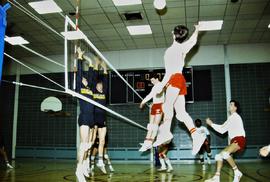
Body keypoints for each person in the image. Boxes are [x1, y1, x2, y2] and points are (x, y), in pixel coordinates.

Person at [151, 24, 205, 155]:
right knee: (181, 114)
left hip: (174, 79)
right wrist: (197, 30)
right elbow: (193, 41)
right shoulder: (183, 47)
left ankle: (166, 133)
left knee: (167, 106)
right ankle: (196, 136)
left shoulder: (169, 51)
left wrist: (161, 86)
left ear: (173, 34)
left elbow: (169, 73)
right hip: (181, 80)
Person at [205, 100, 246, 182]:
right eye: (229, 104)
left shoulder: (234, 117)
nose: (229, 106)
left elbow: (222, 129)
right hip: (234, 140)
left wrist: (211, 124)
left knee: (225, 154)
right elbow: (223, 129)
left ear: (235, 107)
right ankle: (216, 177)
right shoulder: (231, 118)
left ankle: (237, 172)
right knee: (218, 156)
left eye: (231, 104)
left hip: (239, 139)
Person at [75, 47, 95, 182]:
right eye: (83, 79)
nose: (86, 80)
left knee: (88, 146)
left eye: (86, 79)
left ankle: (83, 166)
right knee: (83, 145)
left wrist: (90, 60)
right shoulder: (80, 88)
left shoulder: (90, 90)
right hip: (84, 117)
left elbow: (92, 73)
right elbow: (79, 73)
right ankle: (78, 169)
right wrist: (80, 58)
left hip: (92, 118)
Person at [139, 73, 165, 152]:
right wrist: (143, 102)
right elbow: (150, 95)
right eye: (151, 81)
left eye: (153, 80)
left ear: (157, 79)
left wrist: (159, 92)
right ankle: (146, 142)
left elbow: (160, 92)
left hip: (160, 105)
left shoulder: (161, 85)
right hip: (154, 106)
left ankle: (151, 142)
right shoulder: (154, 87)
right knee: (150, 124)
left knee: (155, 125)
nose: (152, 82)